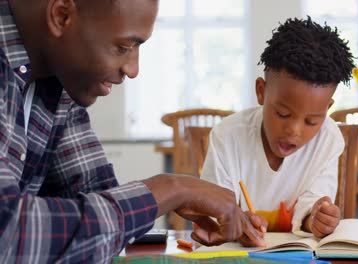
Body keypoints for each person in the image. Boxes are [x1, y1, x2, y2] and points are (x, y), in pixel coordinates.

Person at [0, 0, 266, 262]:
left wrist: (175, 198)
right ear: (61, 16)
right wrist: (172, 189)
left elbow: (98, 201)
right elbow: (8, 236)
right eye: (123, 47)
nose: (133, 69)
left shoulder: (61, 85)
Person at [201, 17, 355, 241]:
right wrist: (234, 222)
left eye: (311, 121)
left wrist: (316, 219)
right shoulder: (227, 137)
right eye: (282, 114)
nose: (293, 130)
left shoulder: (328, 139)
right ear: (261, 91)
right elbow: (213, 210)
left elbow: (313, 204)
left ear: (327, 109)